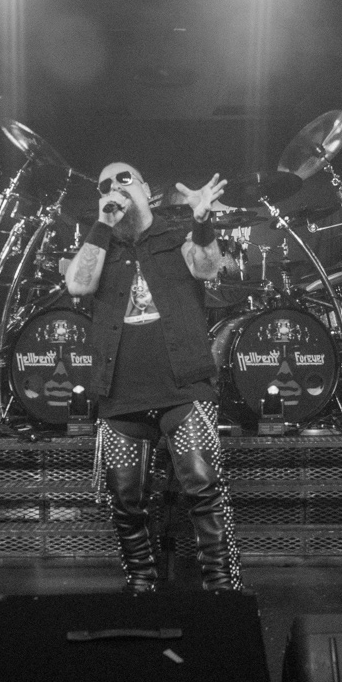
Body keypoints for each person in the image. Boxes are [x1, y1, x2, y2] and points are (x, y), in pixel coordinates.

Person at [64, 162, 241, 592]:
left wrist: (202, 222)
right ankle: (141, 585)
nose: (115, 188)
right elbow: (78, 285)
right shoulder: (100, 244)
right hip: (120, 392)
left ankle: (223, 588)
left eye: (124, 179)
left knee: (204, 490)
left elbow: (207, 269)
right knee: (126, 500)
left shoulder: (176, 237)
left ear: (145, 189)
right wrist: (102, 225)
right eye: (105, 185)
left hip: (184, 386)